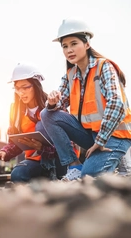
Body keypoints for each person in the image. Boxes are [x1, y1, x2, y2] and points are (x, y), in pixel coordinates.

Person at [41, 17, 131, 181]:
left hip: (115, 135)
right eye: (65, 46)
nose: (69, 50)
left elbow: (117, 104)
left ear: (87, 44)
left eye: (74, 43)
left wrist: (101, 140)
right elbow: (58, 106)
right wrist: (52, 103)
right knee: (46, 113)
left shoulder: (103, 67)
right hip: (92, 136)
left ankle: (122, 160)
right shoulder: (70, 75)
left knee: (89, 177)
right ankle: (74, 165)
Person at [0, 62, 67, 182]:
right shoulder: (15, 110)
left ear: (36, 85)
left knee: (40, 125)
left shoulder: (53, 104)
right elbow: (17, 141)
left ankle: (56, 176)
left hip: (61, 159)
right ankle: (46, 177)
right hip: (36, 160)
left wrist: (43, 148)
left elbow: (68, 141)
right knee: (17, 175)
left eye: (25, 87)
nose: (21, 92)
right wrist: (5, 151)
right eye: (17, 88)